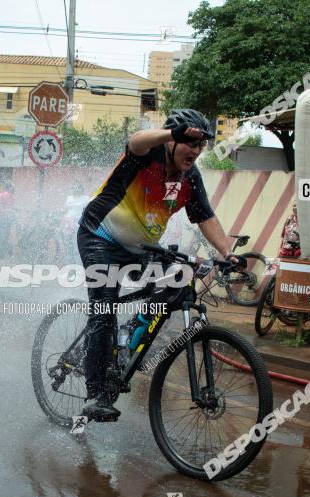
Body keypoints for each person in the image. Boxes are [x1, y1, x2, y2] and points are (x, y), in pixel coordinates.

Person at [77, 108, 242, 422]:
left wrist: (226, 253)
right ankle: (95, 393)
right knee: (104, 308)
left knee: (175, 283)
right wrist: (171, 132)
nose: (194, 150)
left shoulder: (189, 177)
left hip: (141, 248)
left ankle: (127, 336)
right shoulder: (147, 154)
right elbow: (136, 141)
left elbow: (205, 217)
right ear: (171, 141)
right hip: (99, 237)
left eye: (201, 145)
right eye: (188, 143)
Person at [0, 182, 15, 258]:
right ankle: (6, 253)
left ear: (5, 187)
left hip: (1, 218)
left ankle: (1, 254)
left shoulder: (3, 195)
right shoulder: (11, 196)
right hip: (8, 219)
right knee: (5, 236)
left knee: (0, 236)